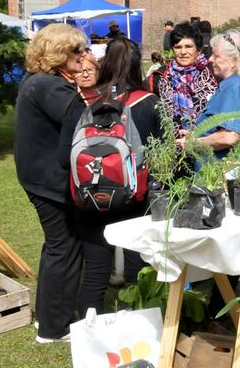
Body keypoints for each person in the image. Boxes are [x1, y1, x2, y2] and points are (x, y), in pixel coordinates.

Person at [60, 38, 163, 314]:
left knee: (95, 270)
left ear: (104, 64)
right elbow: (163, 157)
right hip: (134, 200)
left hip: (90, 196)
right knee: (136, 269)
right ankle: (139, 324)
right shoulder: (149, 102)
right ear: (136, 65)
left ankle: (90, 328)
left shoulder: (83, 100)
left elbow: (63, 157)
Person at [13, 24, 87, 343]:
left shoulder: (39, 80)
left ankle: (48, 317)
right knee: (64, 247)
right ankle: (54, 329)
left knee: (59, 246)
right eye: (77, 50)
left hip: (39, 176)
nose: (83, 55)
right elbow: (82, 119)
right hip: (48, 180)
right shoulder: (50, 86)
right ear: (59, 54)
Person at [184, 29, 240, 158]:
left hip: (231, 166)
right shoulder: (238, 84)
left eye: (216, 55)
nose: (210, 59)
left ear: (234, 61)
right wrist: (196, 134)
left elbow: (229, 137)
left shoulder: (238, 87)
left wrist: (192, 143)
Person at [158, 22, 218, 129]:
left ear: (199, 49)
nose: (183, 52)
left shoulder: (213, 74)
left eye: (189, 46)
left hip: (207, 136)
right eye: (178, 47)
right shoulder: (162, 76)